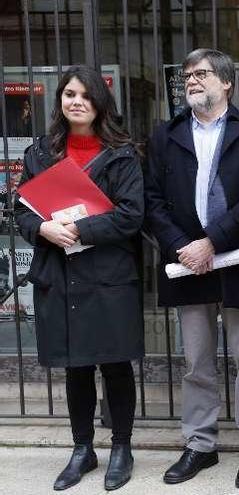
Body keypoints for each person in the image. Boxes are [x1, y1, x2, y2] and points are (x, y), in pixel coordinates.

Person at [143, 48, 239, 489]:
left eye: (201, 75)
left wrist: (212, 241)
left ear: (225, 83)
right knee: (196, 360)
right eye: (186, 77)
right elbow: (152, 201)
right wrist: (184, 246)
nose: (192, 82)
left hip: (236, 258)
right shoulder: (166, 134)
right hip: (187, 263)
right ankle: (200, 444)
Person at [14, 65, 144, 491]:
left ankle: (121, 447)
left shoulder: (123, 153)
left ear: (99, 103)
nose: (76, 102)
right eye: (69, 94)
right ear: (60, 101)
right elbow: (20, 210)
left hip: (107, 275)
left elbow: (131, 215)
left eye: (85, 96)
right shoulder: (40, 153)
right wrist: (42, 229)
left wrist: (79, 230)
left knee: (115, 364)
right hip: (61, 274)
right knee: (76, 367)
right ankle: (82, 448)